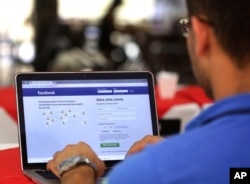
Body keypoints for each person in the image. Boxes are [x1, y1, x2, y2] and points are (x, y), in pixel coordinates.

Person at [47, 0, 250, 183]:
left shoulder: (147, 174)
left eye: (186, 28)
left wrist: (77, 170)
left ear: (201, 34)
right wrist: (176, 153)